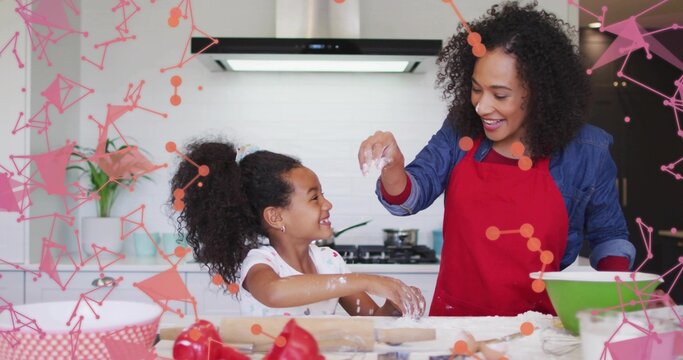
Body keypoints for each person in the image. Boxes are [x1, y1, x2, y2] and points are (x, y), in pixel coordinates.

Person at [357, 1, 636, 316]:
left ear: (539, 93)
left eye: (500, 95)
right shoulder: (460, 132)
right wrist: (392, 167)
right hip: (458, 326)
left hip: (539, 332)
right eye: (477, 90)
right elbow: (409, 198)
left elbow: (608, 236)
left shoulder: (587, 150)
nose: (482, 107)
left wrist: (616, 299)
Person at [170, 139, 425, 317]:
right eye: (315, 198)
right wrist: (369, 280)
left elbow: (373, 320)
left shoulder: (330, 262)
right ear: (275, 216)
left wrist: (397, 303)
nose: (327, 204)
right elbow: (274, 292)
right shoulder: (261, 264)